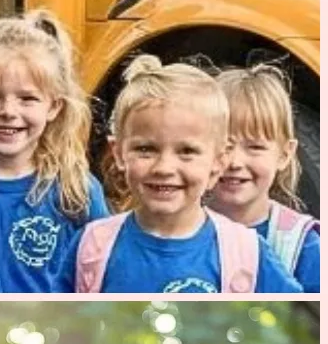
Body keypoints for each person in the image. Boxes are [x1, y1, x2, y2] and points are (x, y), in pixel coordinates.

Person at [72, 57, 300, 293]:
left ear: (218, 162)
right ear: (119, 153)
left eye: (186, 151)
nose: (164, 167)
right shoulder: (92, 246)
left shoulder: (246, 253)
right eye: (146, 149)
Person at [0, 10, 107, 291]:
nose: (8, 112)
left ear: (54, 106)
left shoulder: (75, 191)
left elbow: (102, 273)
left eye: (27, 99)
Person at [207, 64, 319, 292]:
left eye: (255, 147)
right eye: (224, 145)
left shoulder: (299, 244)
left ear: (285, 154)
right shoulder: (177, 226)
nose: (235, 162)